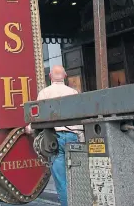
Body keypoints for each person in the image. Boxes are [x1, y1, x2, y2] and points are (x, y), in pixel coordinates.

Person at [26, 65, 84, 206]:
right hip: (74, 137)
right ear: (65, 76)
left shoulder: (45, 93)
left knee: (61, 181)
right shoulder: (73, 93)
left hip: (54, 140)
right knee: (77, 179)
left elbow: (39, 118)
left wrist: (29, 128)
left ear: (50, 76)